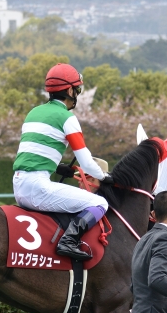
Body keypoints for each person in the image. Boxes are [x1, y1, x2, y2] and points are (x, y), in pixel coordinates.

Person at [12, 63, 113, 261]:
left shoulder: (33, 113)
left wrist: (59, 168)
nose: (77, 94)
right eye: (77, 89)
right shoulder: (67, 118)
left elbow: (31, 154)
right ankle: (68, 241)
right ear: (69, 90)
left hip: (18, 185)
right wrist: (105, 176)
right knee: (100, 203)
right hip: (37, 187)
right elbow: (86, 162)